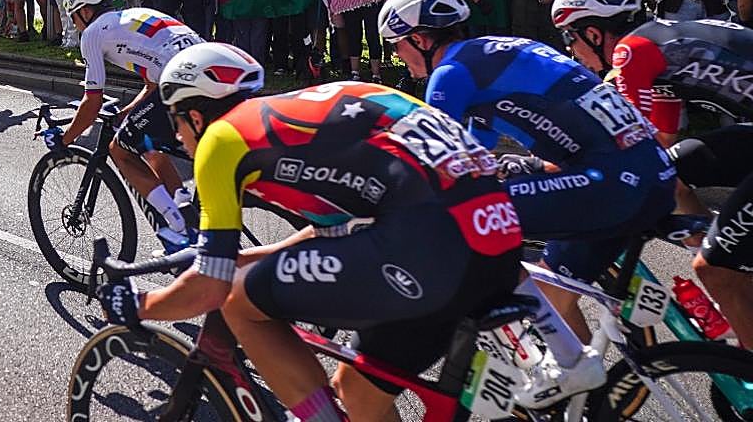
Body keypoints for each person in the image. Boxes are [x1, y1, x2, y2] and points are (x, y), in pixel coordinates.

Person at [96, 43, 520, 422]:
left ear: (194, 114)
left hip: (425, 247)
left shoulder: (221, 139)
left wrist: (138, 304)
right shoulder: (303, 120)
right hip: (497, 239)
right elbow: (330, 234)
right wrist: (241, 260)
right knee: (356, 394)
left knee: (238, 301)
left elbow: (211, 288)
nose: (177, 137)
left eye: (176, 122)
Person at [377, 0, 677, 407]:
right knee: (555, 293)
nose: (396, 56)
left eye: (397, 46)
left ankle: (569, 363)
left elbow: (435, 164)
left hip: (613, 179)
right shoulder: (486, 54)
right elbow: (471, 152)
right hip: (646, 174)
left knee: (475, 221)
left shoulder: (451, 75)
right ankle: (583, 398)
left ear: (421, 39)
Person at [551, 0, 753, 347]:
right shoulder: (659, 48)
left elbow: (623, 144)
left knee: (714, 269)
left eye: (570, 38)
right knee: (671, 170)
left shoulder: (631, 51)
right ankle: (725, 259)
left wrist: (550, 176)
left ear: (593, 32)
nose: (571, 51)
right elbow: (658, 141)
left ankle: (726, 277)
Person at [54, 0, 203, 252]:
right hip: (207, 69)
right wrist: (127, 113)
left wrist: (65, 140)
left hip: (179, 80)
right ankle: (185, 211)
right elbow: (152, 84)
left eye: (73, 16)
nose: (74, 24)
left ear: (85, 10)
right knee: (148, 142)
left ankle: (176, 230)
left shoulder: (93, 32)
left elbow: (92, 102)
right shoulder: (132, 16)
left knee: (119, 148)